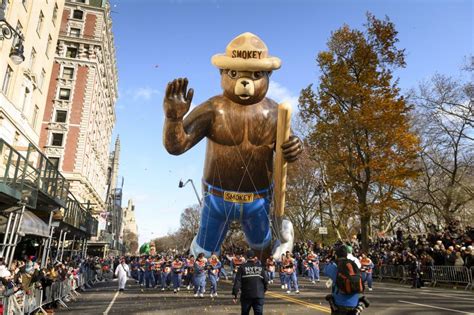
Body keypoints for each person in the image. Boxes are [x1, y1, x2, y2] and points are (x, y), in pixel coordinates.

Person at [325, 246, 362, 314]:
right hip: (355, 302)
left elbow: (326, 270)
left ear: (336, 255)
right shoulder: (354, 263)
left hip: (340, 302)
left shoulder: (336, 265)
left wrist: (332, 259)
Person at [232, 250, 268, 315]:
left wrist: (235, 295)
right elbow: (265, 281)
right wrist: (263, 291)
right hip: (258, 295)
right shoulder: (260, 267)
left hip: (246, 295)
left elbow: (237, 282)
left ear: (246, 257)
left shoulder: (242, 267)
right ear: (255, 257)